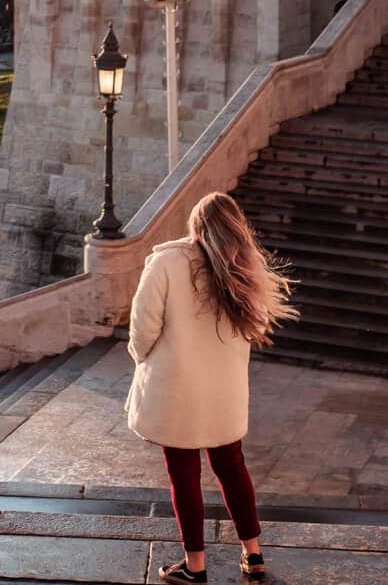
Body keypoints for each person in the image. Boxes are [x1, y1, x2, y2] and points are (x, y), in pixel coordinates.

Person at [126, 191, 297, 583]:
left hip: (177, 388)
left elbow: (143, 326)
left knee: (183, 473)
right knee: (232, 466)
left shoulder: (167, 263)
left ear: (195, 225)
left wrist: (143, 359)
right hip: (224, 390)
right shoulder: (245, 267)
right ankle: (253, 555)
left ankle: (195, 565)